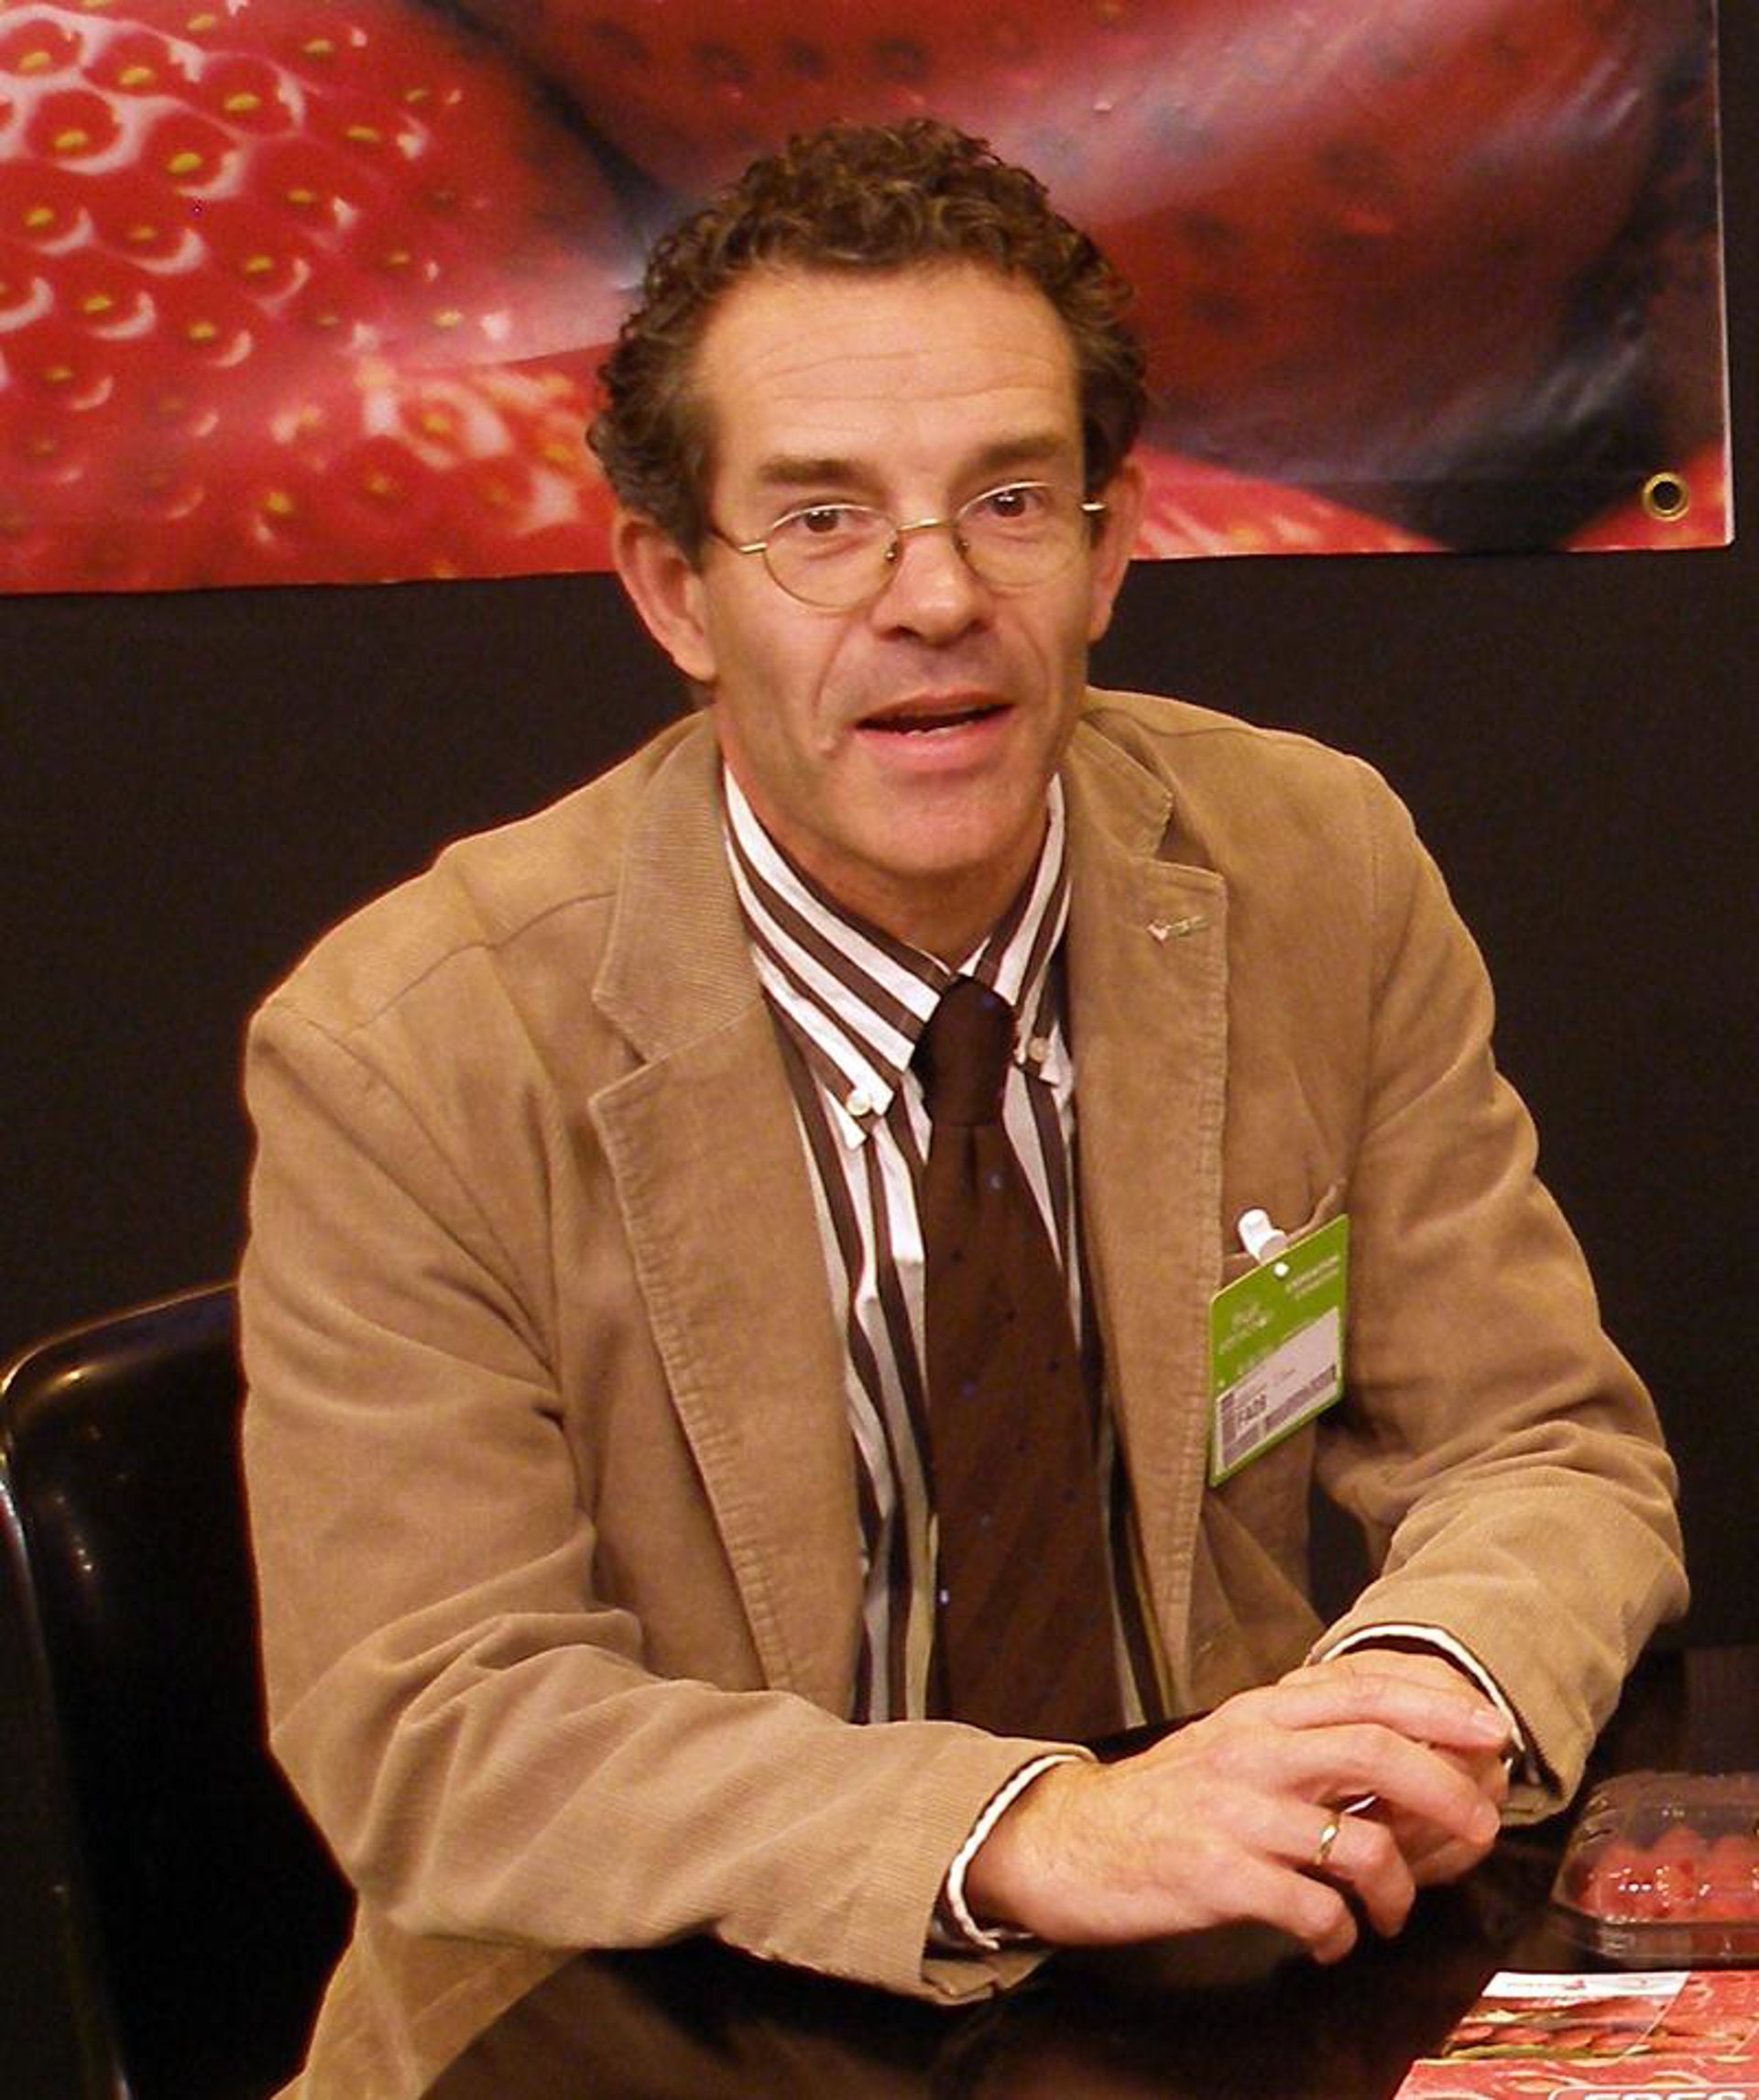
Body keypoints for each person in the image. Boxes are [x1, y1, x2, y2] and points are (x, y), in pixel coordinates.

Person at [240, 119, 1687, 2099]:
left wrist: (1408, 1696)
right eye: (823, 521)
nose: (934, 598)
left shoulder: (1312, 868)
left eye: (1008, 501)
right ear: (675, 590)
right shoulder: (406, 1046)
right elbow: (432, 1721)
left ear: (1110, 548)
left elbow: (1545, 1453)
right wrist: (1023, 1831)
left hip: (1199, 1993)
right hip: (638, 2020)